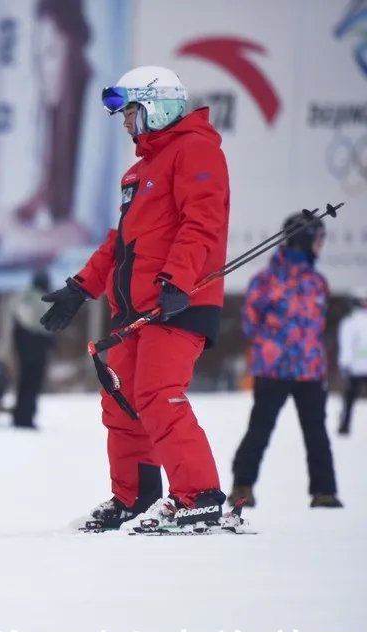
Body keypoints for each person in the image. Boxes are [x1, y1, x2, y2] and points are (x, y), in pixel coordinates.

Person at [40, 66, 233, 533]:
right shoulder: (140, 171)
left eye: (130, 111)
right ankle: (135, 496)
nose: (126, 122)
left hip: (177, 302)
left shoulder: (195, 150)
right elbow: (121, 241)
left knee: (157, 394)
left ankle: (200, 497)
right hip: (136, 309)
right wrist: (81, 287)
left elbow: (201, 224)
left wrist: (177, 282)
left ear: (157, 106)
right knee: (120, 400)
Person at [228, 215, 341, 508]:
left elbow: (320, 323)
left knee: (316, 431)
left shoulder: (317, 282)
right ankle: (242, 486)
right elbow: (250, 322)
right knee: (260, 428)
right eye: (318, 239)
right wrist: (272, 347)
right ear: (304, 239)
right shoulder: (267, 280)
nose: (321, 245)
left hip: (309, 372)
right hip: (273, 369)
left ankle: (324, 492)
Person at [10, 270, 55, 428]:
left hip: (26, 344)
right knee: (32, 382)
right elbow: (42, 324)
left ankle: (21, 415)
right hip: (35, 345)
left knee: (25, 381)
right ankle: (25, 417)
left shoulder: (26, 297)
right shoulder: (38, 299)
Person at [338, 287, 367, 436]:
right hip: (356, 367)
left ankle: (344, 425)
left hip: (357, 367)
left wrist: (345, 364)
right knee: (349, 399)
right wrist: (345, 362)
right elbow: (347, 344)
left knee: (349, 399)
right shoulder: (350, 322)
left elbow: (346, 345)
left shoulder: (350, 322)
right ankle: (344, 425)